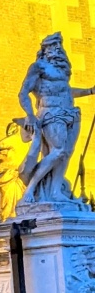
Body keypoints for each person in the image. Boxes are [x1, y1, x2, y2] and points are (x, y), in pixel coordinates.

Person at [18, 32, 95, 205]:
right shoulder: (38, 67)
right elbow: (23, 93)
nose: (57, 49)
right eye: (52, 46)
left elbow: (66, 91)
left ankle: (55, 190)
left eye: (58, 45)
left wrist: (89, 91)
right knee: (58, 150)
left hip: (71, 113)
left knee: (66, 153)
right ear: (44, 50)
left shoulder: (63, 70)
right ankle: (31, 188)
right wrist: (30, 115)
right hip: (51, 113)